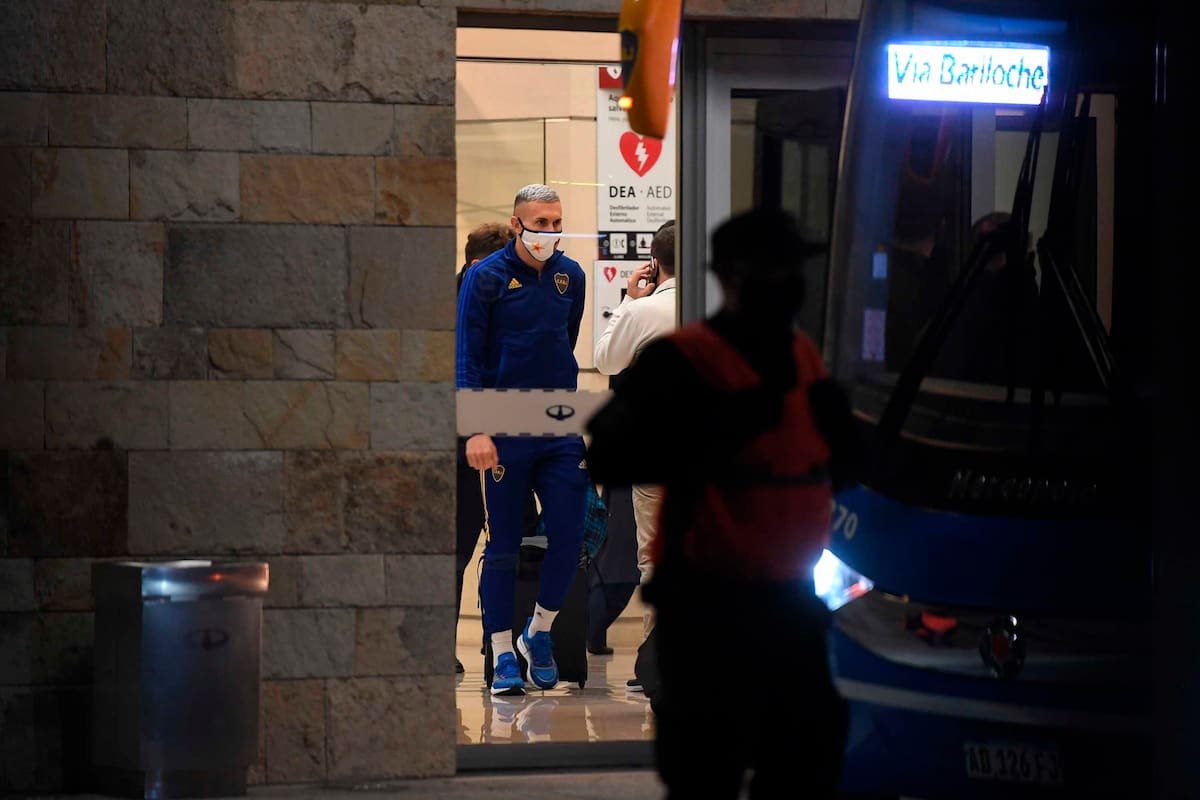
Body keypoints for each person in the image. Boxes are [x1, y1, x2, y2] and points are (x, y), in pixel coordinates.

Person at [585, 208, 858, 799]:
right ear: (731, 278)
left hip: (791, 601)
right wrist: (714, 432)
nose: (787, 284)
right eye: (772, 271)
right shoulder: (685, 358)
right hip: (711, 605)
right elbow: (609, 453)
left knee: (806, 763)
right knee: (707, 771)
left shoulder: (805, 358)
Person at [457, 184, 588, 696]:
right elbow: (467, 356)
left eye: (556, 223)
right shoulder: (484, 277)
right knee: (504, 543)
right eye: (540, 223)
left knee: (570, 537)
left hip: (557, 423)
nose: (549, 232)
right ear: (517, 224)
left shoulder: (570, 275)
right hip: (502, 426)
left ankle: (539, 632)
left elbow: (566, 341)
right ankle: (503, 647)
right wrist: (478, 427)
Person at [592, 220, 678, 683]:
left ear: (654, 262)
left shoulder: (644, 311)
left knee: (655, 560)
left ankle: (658, 661)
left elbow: (606, 359)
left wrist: (629, 299)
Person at [453, 221, 539, 676]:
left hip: (504, 441)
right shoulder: (454, 303)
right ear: (476, 264)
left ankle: (499, 648)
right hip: (460, 444)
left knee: (496, 542)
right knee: (456, 544)